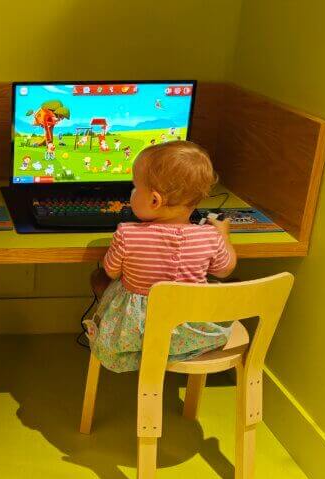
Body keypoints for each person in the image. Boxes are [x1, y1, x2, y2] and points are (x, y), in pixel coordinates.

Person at [84, 141, 237, 372]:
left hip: (134, 336)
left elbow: (112, 271)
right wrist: (223, 234)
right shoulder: (208, 236)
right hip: (189, 334)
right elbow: (225, 270)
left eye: (135, 187)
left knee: (99, 277)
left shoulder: (127, 234)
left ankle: (115, 340)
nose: (131, 193)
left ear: (154, 201)